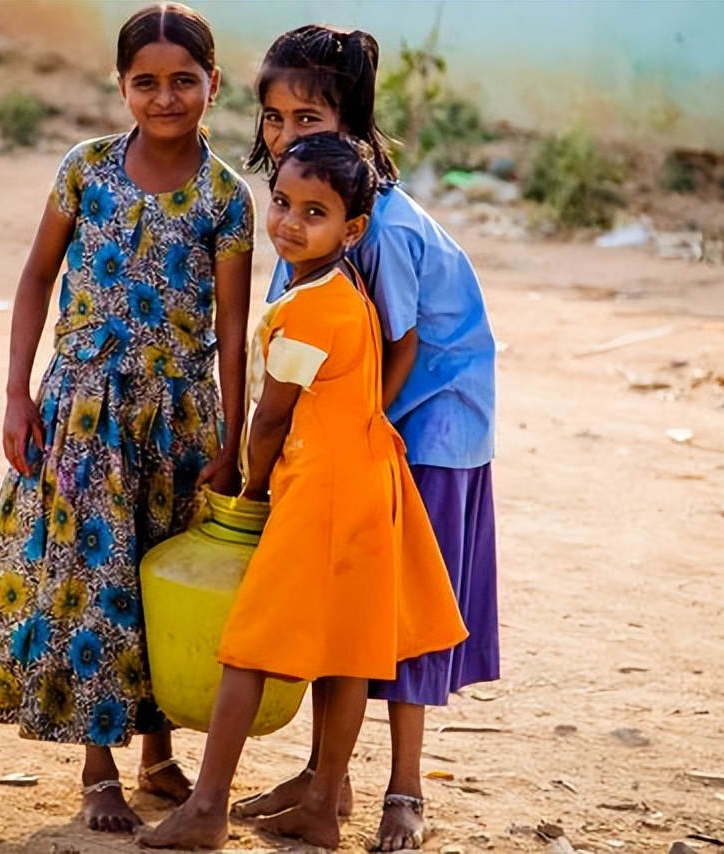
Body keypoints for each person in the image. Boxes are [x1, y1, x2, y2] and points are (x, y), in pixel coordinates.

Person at [0, 2, 254, 835]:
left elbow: (233, 329)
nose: (165, 98)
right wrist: (17, 393)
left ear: (213, 84)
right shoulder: (84, 170)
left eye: (183, 81)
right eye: (146, 82)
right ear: (121, 86)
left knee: (158, 580)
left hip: (179, 422)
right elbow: (33, 280)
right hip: (84, 413)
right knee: (94, 585)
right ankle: (98, 770)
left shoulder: (226, 198)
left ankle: (159, 759)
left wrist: (230, 441)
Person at [137, 133, 467, 852]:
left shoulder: (309, 308)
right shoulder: (345, 291)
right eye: (282, 201)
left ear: (351, 230)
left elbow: (271, 417)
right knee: (348, 651)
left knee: (248, 647)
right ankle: (322, 805)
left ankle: (207, 808)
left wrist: (251, 488)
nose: (287, 221)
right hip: (368, 484)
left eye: (313, 212)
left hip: (321, 491)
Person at [231, 25, 500, 853]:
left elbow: (403, 346)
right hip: (368, 430)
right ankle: (326, 779)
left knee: (401, 612)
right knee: (344, 602)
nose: (285, 137)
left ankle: (405, 791)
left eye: (306, 116)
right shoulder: (311, 201)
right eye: (273, 118)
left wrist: (354, 435)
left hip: (427, 426)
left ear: (351, 118)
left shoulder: (379, 226)